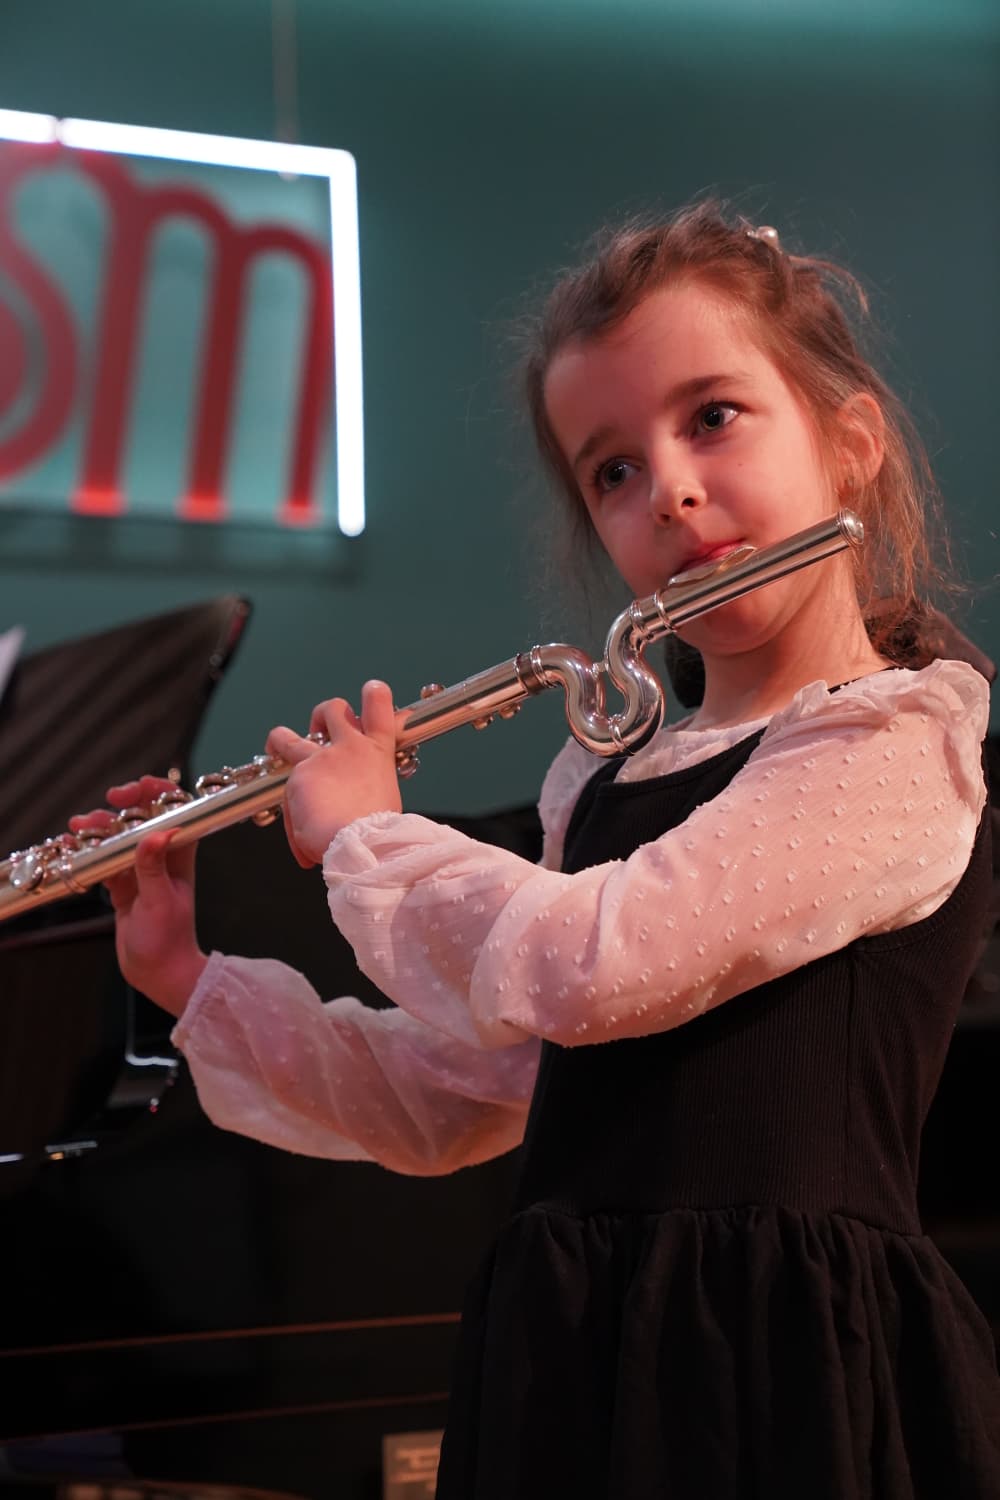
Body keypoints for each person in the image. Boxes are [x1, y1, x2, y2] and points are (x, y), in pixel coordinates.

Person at [75, 200, 999, 1498]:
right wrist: (184, 973)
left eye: (713, 416)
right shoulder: (607, 780)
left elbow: (592, 961)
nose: (669, 489)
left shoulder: (892, 740)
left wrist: (368, 835)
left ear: (849, 444)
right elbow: (455, 1096)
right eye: (611, 470)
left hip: (774, 1349)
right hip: (575, 1345)